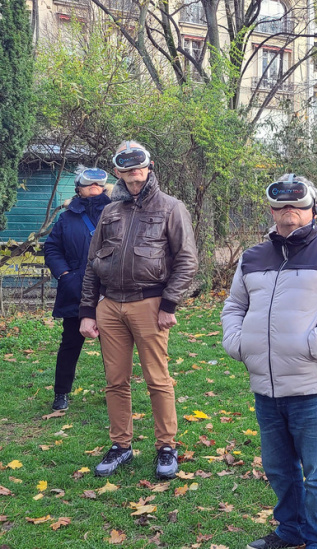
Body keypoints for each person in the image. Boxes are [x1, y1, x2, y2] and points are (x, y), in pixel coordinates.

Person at [222, 174, 317, 549]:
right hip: (265, 387)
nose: (289, 209)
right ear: (271, 209)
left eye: (297, 202)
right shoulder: (252, 257)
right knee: (278, 469)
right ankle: (290, 531)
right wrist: (239, 343)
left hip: (312, 386)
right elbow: (234, 306)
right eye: (281, 203)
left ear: (314, 209)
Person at [79, 141, 198, 479]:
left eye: (138, 164)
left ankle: (166, 447)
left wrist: (169, 303)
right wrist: (87, 310)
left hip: (150, 304)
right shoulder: (109, 212)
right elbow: (92, 265)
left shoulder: (171, 207)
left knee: (157, 379)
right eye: (126, 166)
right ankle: (121, 445)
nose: (133, 171)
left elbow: (187, 261)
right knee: (115, 381)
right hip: (109, 306)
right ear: (117, 171)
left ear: (149, 166)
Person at [43, 166, 112, 411]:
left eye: (97, 184)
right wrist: (65, 275)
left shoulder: (116, 212)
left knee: (113, 347)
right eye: (88, 184)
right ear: (78, 188)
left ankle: (116, 392)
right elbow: (52, 248)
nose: (94, 188)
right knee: (70, 344)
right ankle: (61, 393)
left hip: (110, 292)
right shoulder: (66, 218)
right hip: (76, 290)